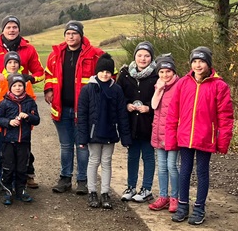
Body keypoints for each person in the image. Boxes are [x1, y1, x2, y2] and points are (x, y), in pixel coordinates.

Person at [165, 47, 233, 225]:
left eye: (201, 61)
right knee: (184, 170)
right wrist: (171, 137)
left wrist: (223, 141)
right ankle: (182, 205)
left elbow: (225, 116)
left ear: (208, 64)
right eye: (195, 61)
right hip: (185, 136)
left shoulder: (219, 86)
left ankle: (199, 208)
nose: (198, 64)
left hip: (205, 138)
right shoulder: (183, 83)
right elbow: (173, 112)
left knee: (202, 172)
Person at [44, 21, 104, 195]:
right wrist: (48, 89)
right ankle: (65, 178)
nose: (71, 36)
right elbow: (49, 74)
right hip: (61, 108)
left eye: (74, 33)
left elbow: (109, 74)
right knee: (65, 145)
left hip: (84, 111)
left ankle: (83, 180)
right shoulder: (55, 55)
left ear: (81, 35)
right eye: (68, 33)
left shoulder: (95, 55)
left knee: (82, 146)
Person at [76, 54, 131, 210]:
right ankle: (92, 192)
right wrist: (82, 137)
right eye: (102, 71)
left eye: (108, 71)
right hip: (94, 133)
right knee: (93, 161)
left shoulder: (117, 90)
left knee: (106, 162)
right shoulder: (87, 89)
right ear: (97, 71)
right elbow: (82, 115)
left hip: (110, 133)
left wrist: (125, 137)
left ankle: (105, 193)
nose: (105, 74)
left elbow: (122, 114)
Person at [0, 52, 37, 193]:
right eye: (10, 62)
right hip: (1, 125)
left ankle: (14, 184)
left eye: (15, 62)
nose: (13, 65)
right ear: (5, 64)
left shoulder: (25, 82)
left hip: (20, 128)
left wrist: (29, 123)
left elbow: (32, 103)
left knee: (18, 157)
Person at [116, 41, 159, 203]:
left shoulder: (157, 75)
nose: (143, 59)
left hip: (149, 123)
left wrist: (149, 108)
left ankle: (146, 188)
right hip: (131, 124)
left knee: (148, 156)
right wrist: (126, 104)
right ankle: (131, 186)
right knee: (132, 156)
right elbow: (118, 96)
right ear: (135, 56)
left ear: (151, 58)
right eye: (140, 55)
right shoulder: (125, 74)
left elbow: (164, 100)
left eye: (147, 56)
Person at [0, 73, 41, 205]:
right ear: (10, 87)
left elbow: (37, 120)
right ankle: (7, 191)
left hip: (24, 142)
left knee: (21, 168)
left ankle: (21, 191)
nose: (18, 88)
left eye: (20, 85)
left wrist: (28, 117)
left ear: (24, 87)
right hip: (8, 141)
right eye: (15, 85)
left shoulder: (30, 102)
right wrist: (9, 122)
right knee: (8, 167)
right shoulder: (5, 102)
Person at [149, 55, 181, 212]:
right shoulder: (158, 86)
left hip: (173, 133)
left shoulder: (180, 86)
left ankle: (175, 197)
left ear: (173, 72)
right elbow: (154, 105)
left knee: (172, 166)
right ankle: (163, 196)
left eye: (168, 71)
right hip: (159, 133)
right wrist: (160, 88)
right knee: (161, 167)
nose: (165, 75)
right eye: (161, 72)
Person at [0, 15, 44, 83]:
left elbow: (40, 73)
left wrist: (30, 78)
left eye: (15, 27)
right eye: (8, 27)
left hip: (21, 91)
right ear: (3, 30)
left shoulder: (29, 49)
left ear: (19, 30)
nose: (11, 30)